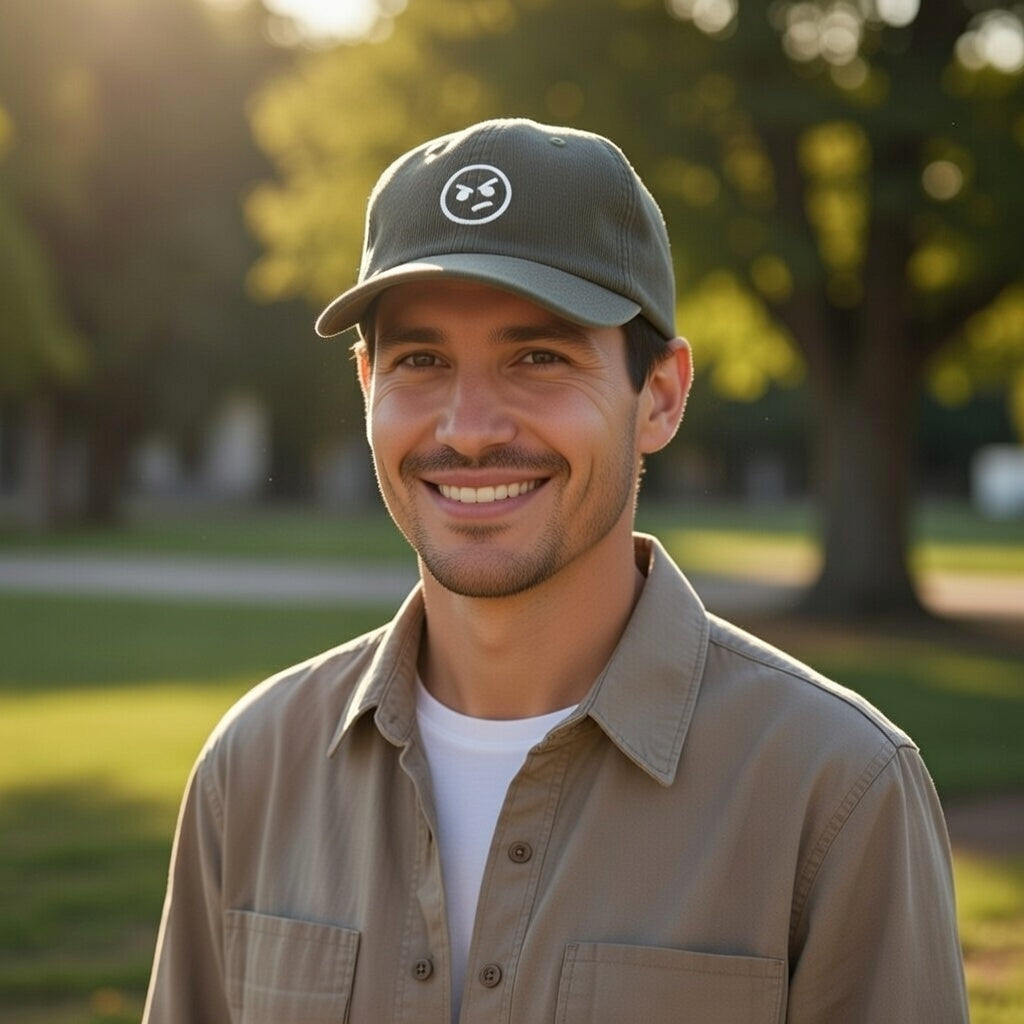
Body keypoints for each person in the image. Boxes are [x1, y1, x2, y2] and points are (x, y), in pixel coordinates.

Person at [143, 118, 968, 1023]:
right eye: (421, 361)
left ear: (659, 396)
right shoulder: (253, 767)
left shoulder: (835, 789)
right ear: (366, 385)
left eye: (538, 357)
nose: (468, 427)